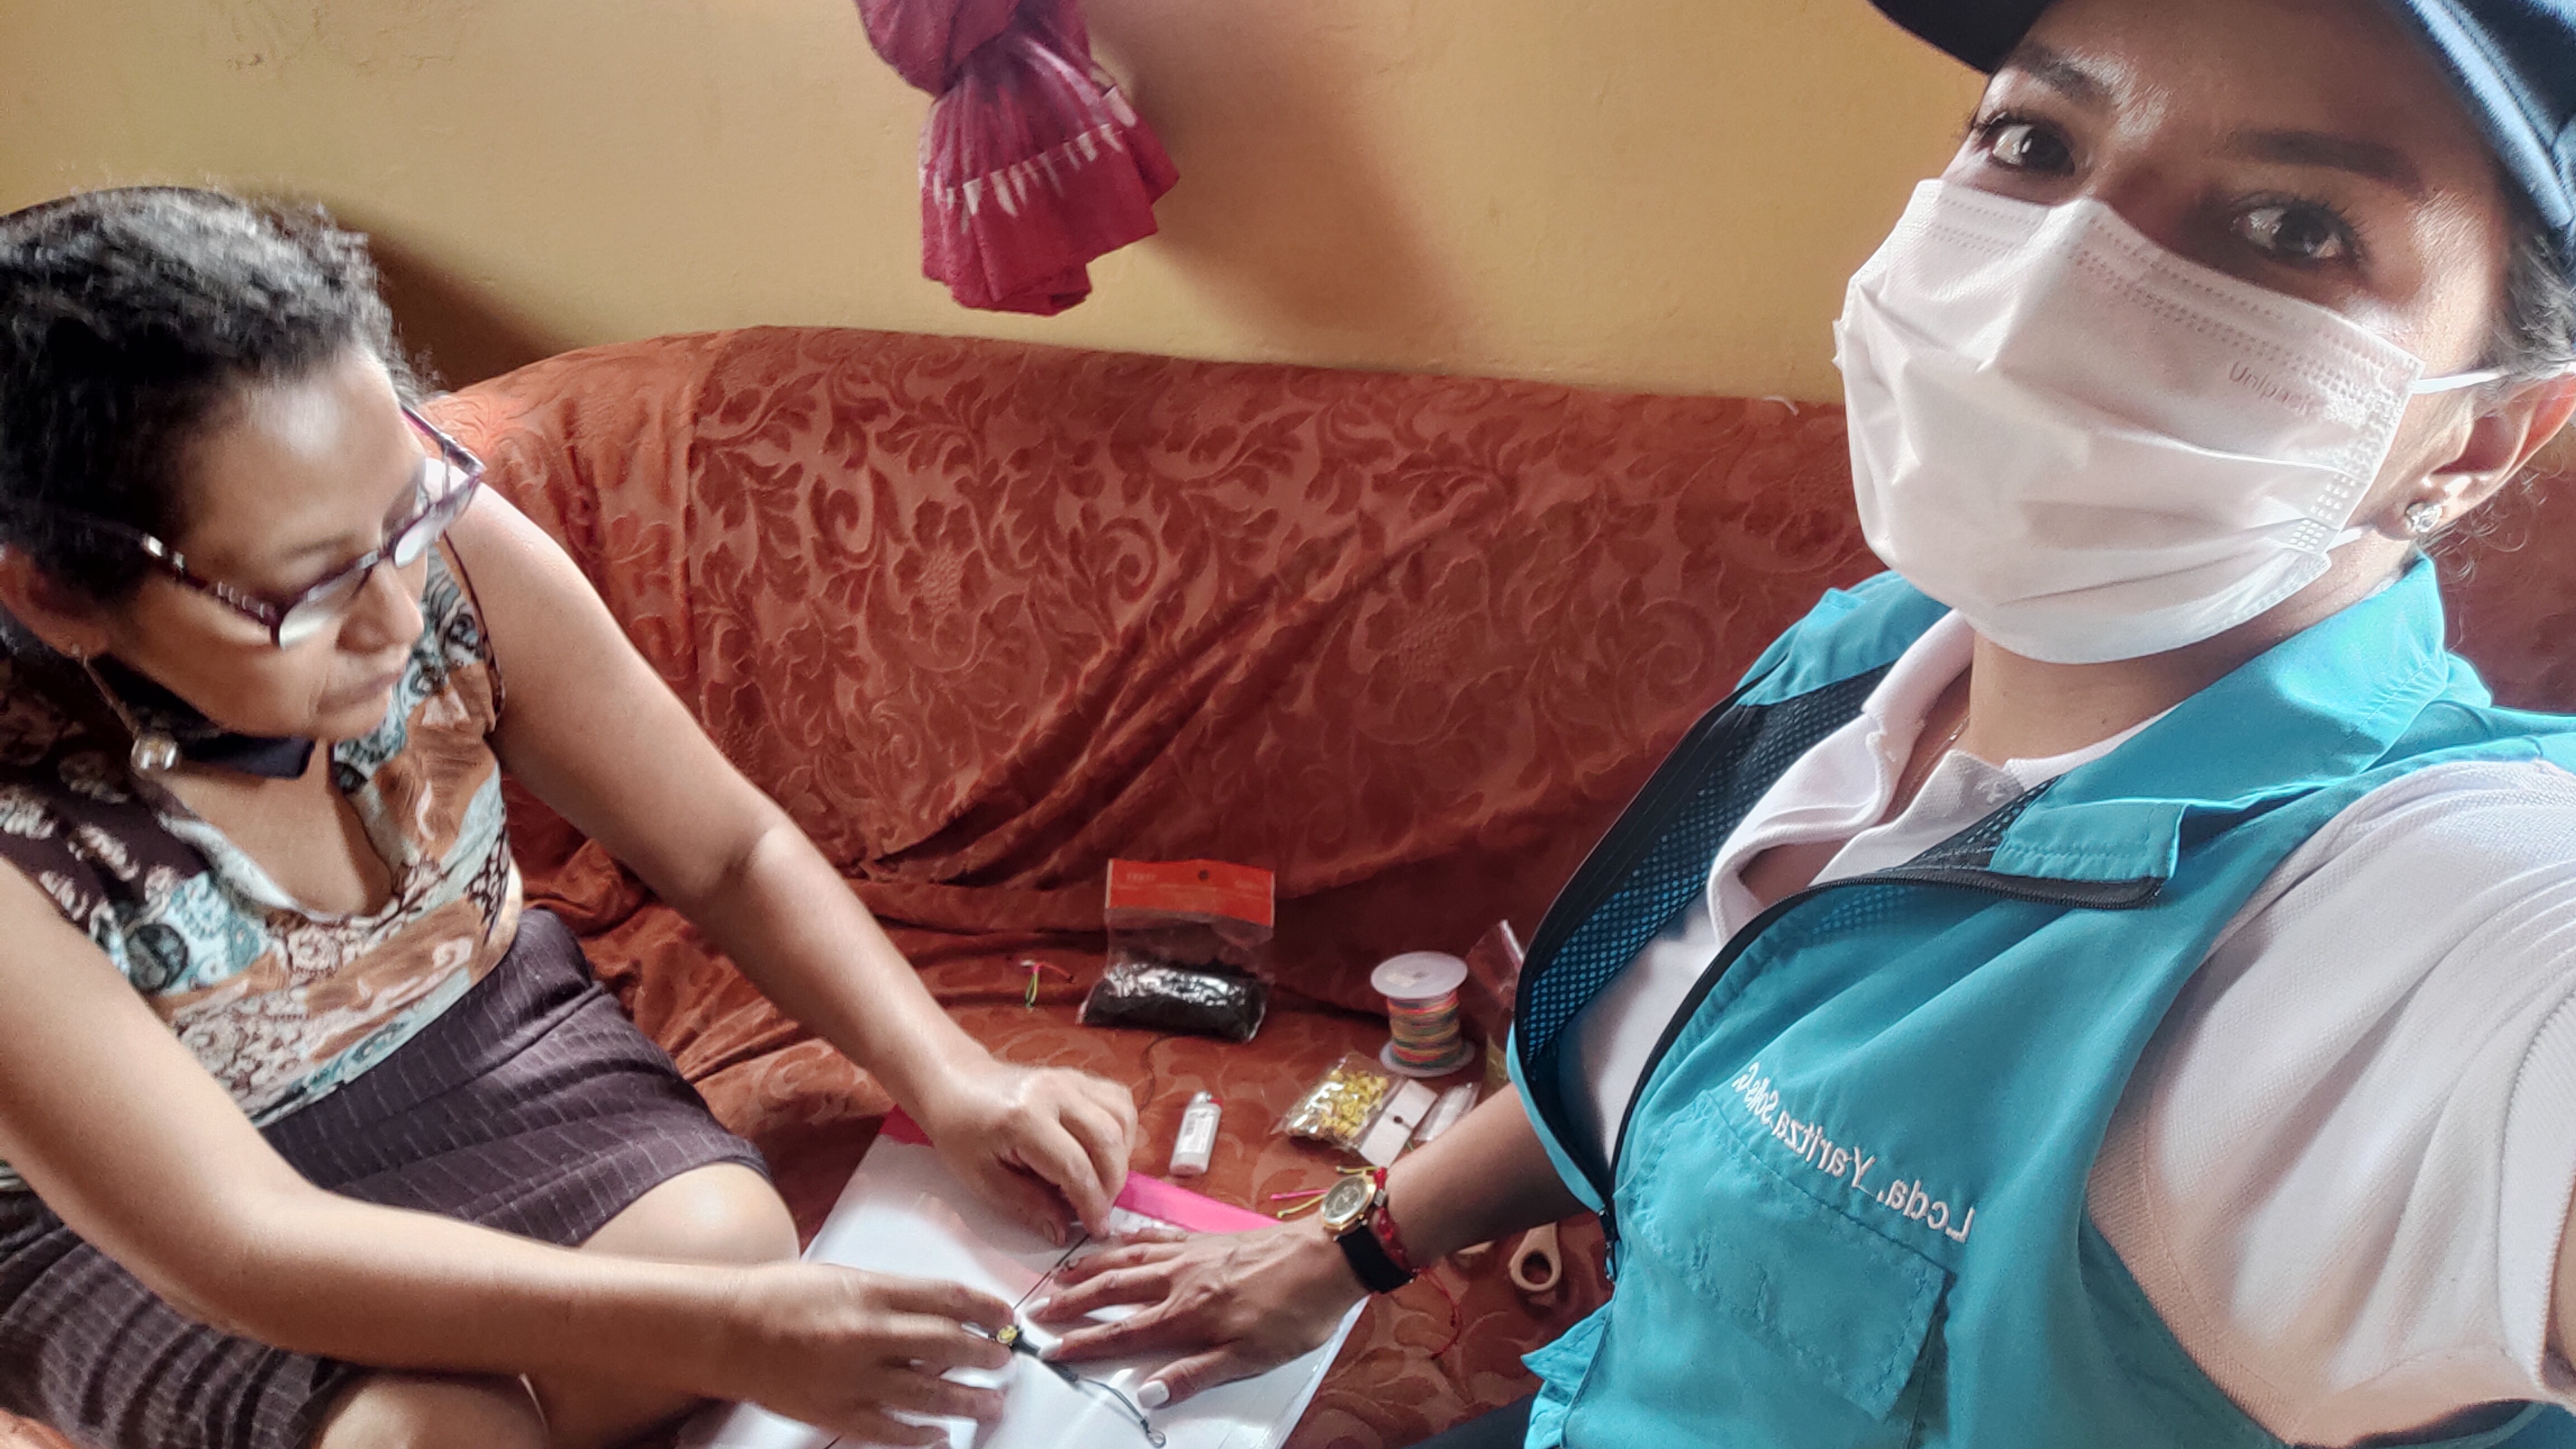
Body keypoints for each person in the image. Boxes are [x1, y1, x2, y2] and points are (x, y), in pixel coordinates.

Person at [1029, 1, 2576, 1445]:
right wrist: (1346, 1252)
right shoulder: (1877, 645)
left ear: (2484, 435)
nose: (2065, 276)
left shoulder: (2400, 923)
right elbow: (1678, 1042)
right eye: (2035, 140)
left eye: (2293, 227)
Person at [0, 187, 1141, 1449]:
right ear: (56, 594)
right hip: (142, 1216)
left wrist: (954, 1077)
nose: (396, 613)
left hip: (478, 1051)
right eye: (308, 588)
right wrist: (722, 1340)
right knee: (432, 1439)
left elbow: (729, 849)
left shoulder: (450, 554)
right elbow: (242, 1242)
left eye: (404, 517)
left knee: (726, 1243)